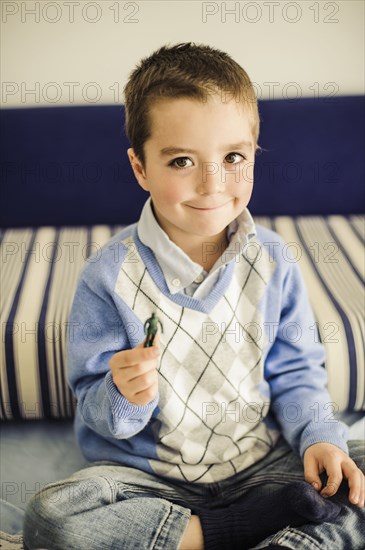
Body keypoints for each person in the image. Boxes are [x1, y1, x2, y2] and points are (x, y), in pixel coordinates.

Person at [23, 42, 364, 550]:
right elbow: (96, 405)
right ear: (140, 168)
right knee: (52, 517)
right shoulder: (108, 276)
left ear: (253, 154)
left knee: (353, 468)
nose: (212, 184)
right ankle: (235, 533)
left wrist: (318, 438)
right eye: (182, 160)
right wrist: (124, 396)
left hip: (260, 464)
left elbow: (297, 374)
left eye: (233, 157)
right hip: (148, 481)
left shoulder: (273, 261)